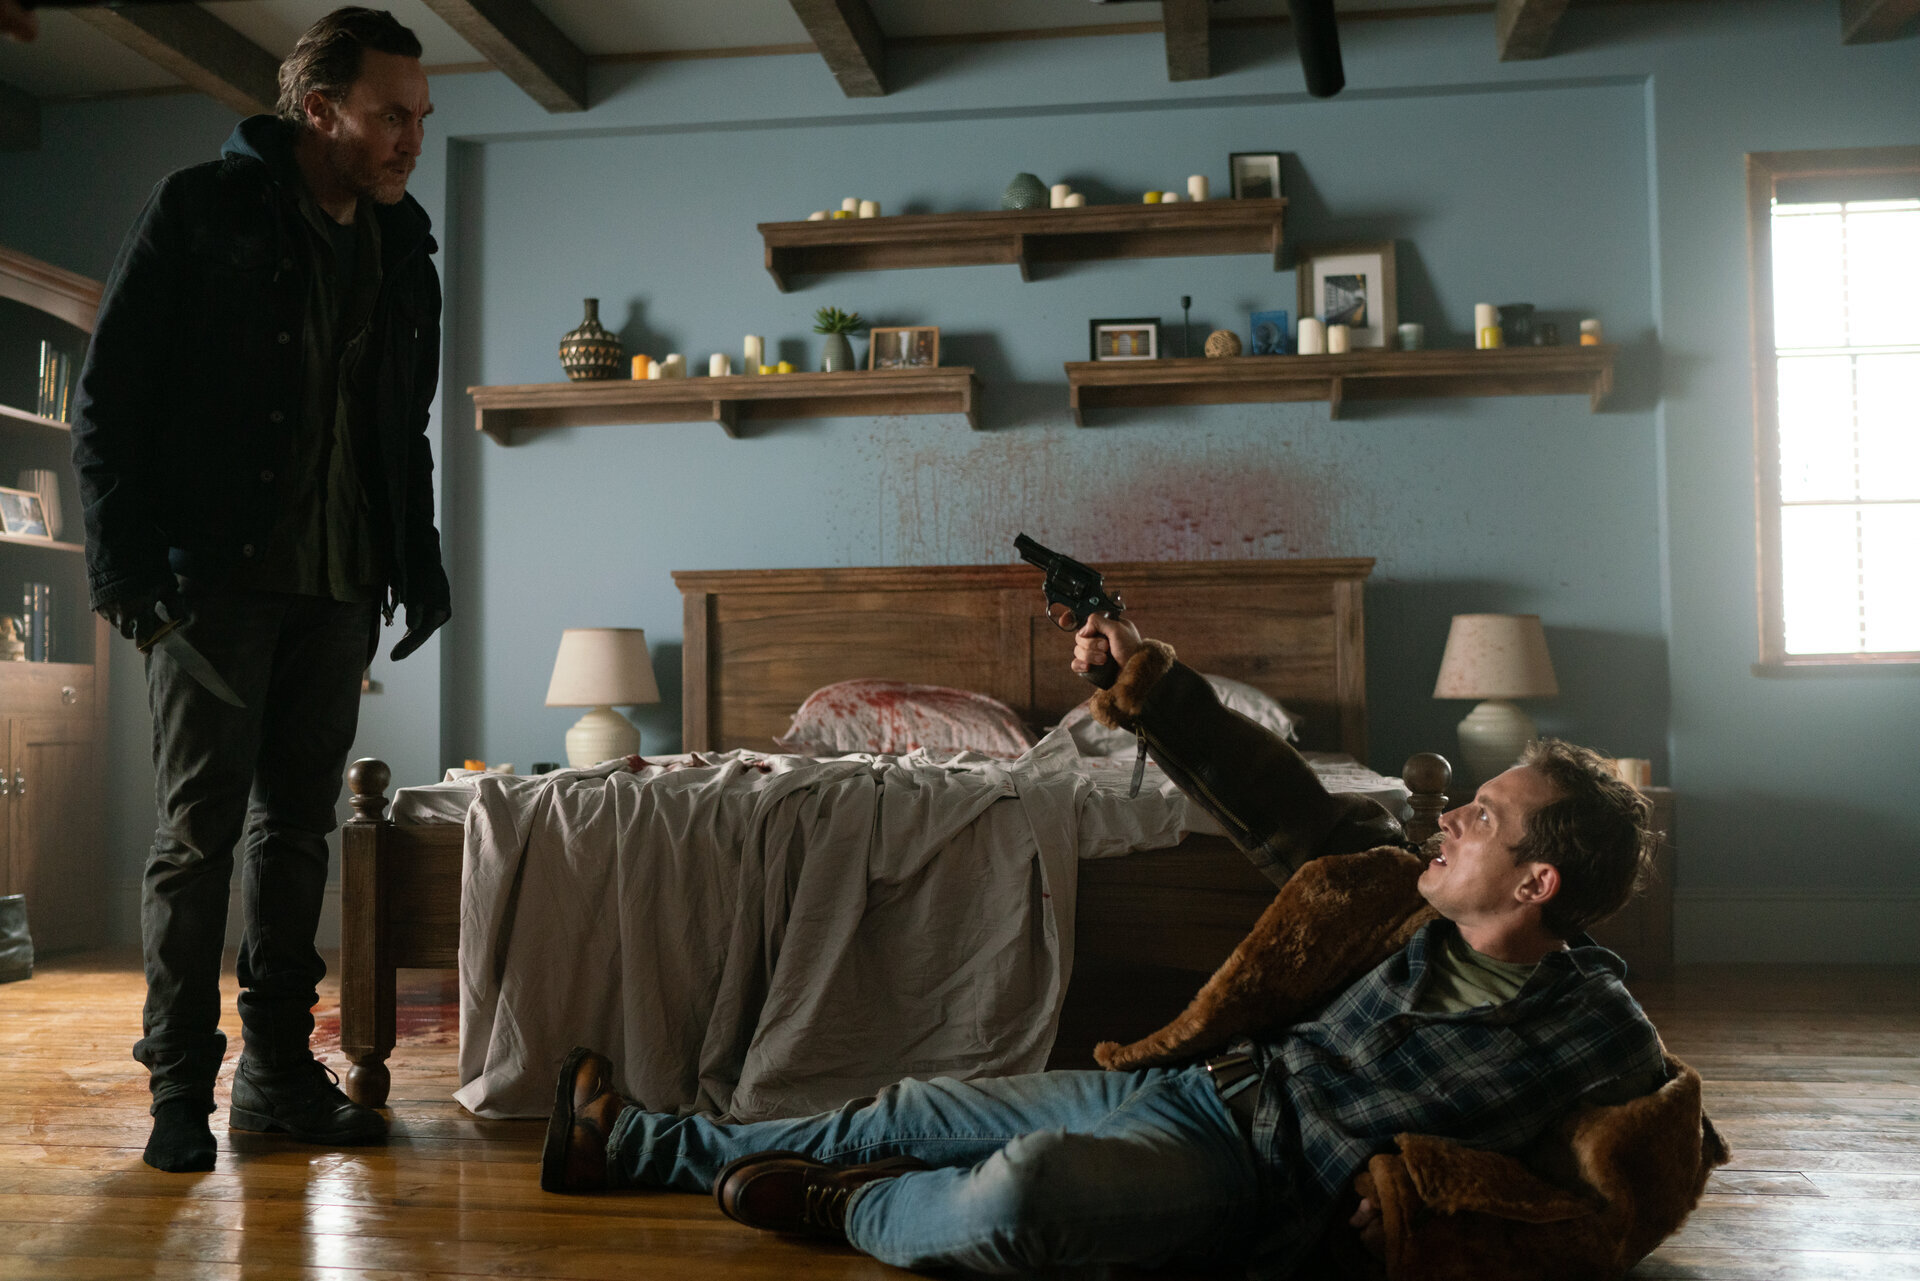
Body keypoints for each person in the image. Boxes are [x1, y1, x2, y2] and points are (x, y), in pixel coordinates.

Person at [536, 614, 1675, 1277]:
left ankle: (850, 1207)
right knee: (916, 1107)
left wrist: (1425, 1201)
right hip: (1198, 1089)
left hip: (1255, 1178)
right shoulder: (1394, 893)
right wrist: (1143, 683)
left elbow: (1619, 1200)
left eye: (1483, 816)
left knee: (1024, 1193)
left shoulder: (1599, 1034)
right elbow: (1269, 794)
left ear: (1536, 883)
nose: (1450, 816)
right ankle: (633, 1143)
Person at [70, 7, 450, 1174]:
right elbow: (109, 402)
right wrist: (127, 577)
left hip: (342, 584)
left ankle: (279, 1077)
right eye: (390, 116)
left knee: (297, 834)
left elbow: (402, 427)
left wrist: (419, 561)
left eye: (423, 119)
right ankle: (180, 1089)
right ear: (320, 109)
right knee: (198, 838)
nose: (411, 140)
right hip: (213, 585)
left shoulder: (404, 244)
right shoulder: (202, 209)